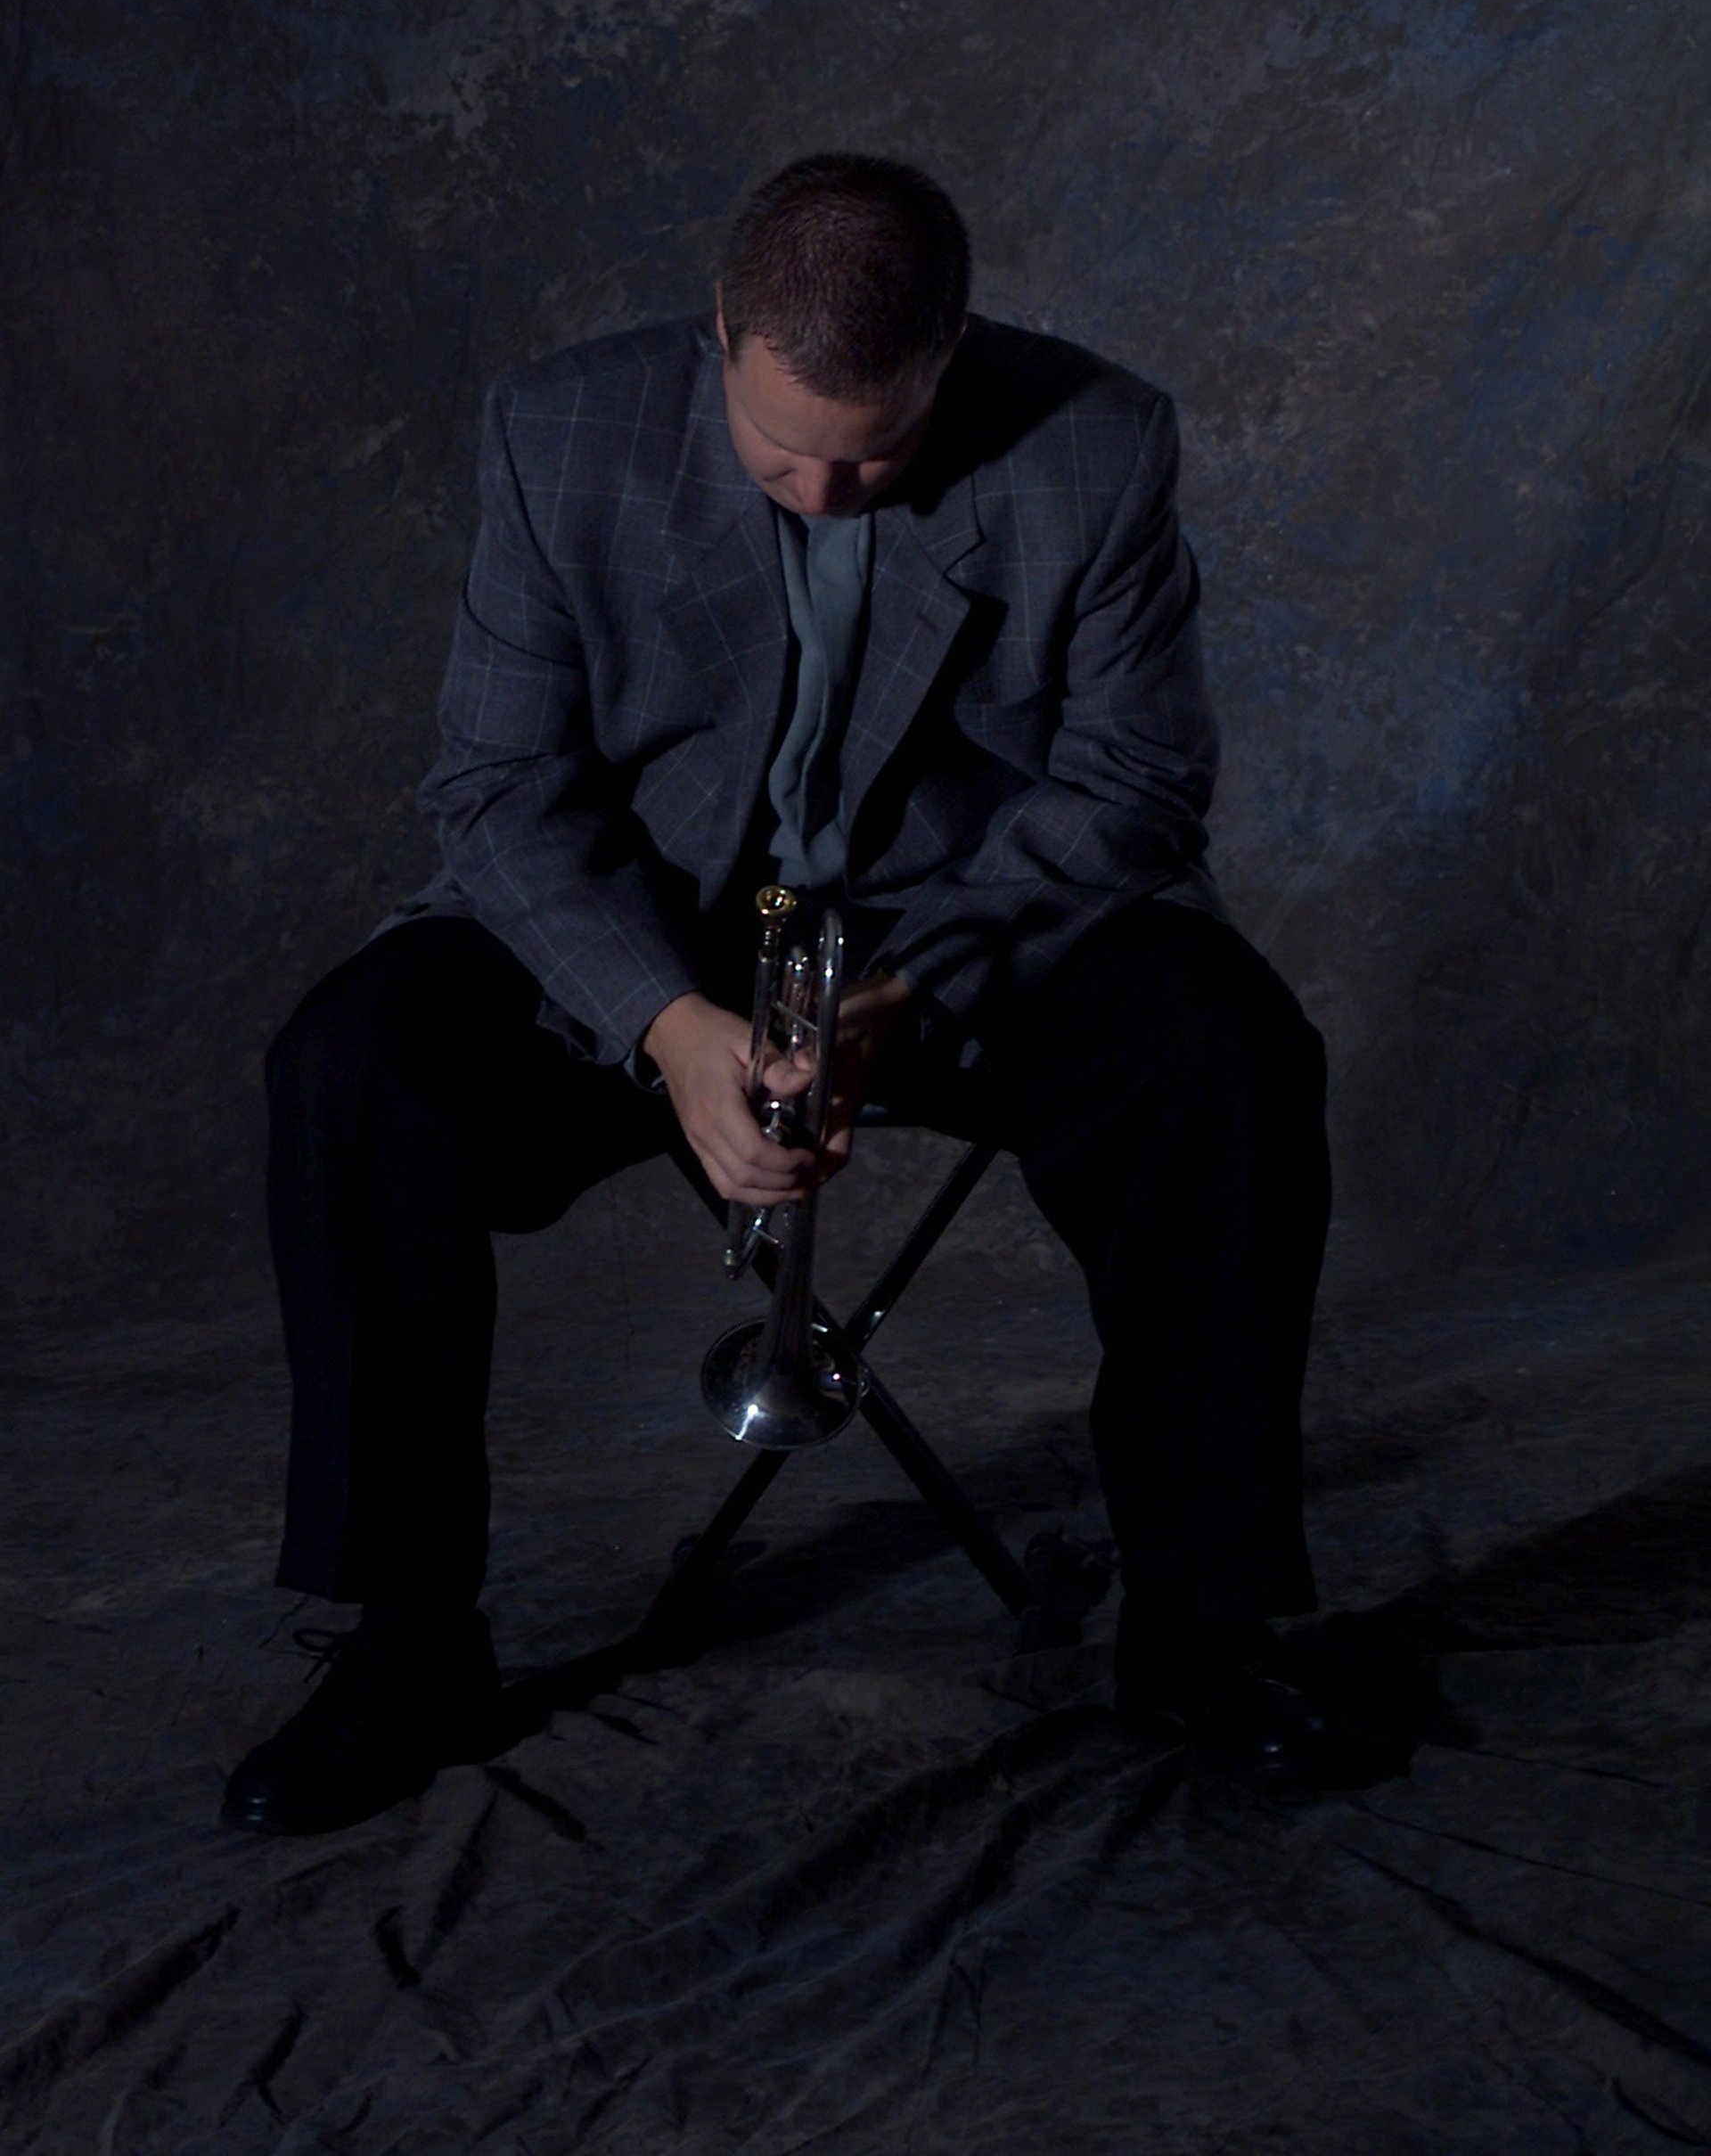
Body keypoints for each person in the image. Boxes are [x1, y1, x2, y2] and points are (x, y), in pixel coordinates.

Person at [225, 153, 1374, 1837]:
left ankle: (1205, 1627)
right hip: (653, 930)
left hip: (960, 929)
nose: (829, 497)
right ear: (721, 332)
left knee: (1230, 1055)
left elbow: (1135, 785)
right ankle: (409, 1639)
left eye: (878, 457)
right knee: (352, 1068)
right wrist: (666, 1023)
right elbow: (498, 794)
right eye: (782, 454)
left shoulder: (1103, 442)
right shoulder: (560, 433)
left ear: (951, 354)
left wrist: (911, 988)